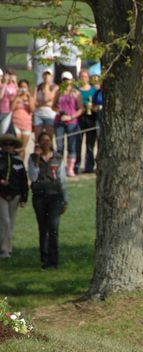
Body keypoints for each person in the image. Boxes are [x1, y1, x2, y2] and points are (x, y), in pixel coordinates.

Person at [28, 131, 68, 269]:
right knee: (43, 228)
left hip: (55, 196)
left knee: (53, 228)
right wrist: (38, 160)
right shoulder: (32, 158)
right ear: (38, 142)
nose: (45, 142)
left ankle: (53, 261)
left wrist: (65, 198)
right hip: (39, 197)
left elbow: (62, 179)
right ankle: (44, 257)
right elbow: (33, 177)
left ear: (51, 141)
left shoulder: (58, 157)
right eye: (42, 140)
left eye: (47, 140)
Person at [0, 135, 28, 259]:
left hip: (15, 194)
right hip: (1, 194)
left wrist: (24, 198)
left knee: (11, 222)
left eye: (10, 144)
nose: (7, 147)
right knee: (4, 220)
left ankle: (8, 248)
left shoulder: (18, 161)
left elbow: (23, 181)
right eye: (5, 144)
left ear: (14, 147)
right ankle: (3, 249)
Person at [53, 71, 84, 176]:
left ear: (71, 81)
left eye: (68, 80)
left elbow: (81, 109)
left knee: (71, 145)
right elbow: (53, 105)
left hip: (72, 121)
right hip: (59, 121)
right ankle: (60, 168)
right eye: (64, 80)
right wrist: (59, 111)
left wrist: (71, 116)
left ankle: (70, 168)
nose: (66, 82)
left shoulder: (76, 93)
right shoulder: (58, 92)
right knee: (60, 146)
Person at [76, 69, 97, 174]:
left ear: (88, 78)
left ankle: (89, 166)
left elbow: (97, 103)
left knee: (90, 144)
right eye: (81, 76)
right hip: (79, 119)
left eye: (85, 76)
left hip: (91, 118)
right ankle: (77, 165)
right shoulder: (76, 90)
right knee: (78, 142)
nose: (83, 78)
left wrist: (93, 107)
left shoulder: (93, 90)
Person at [10, 80, 34, 159]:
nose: (23, 88)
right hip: (16, 123)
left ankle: (21, 165)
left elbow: (32, 110)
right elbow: (11, 108)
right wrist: (17, 97)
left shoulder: (30, 97)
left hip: (26, 124)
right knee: (16, 146)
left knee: (23, 148)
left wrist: (29, 97)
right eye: (21, 87)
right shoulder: (16, 97)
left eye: (25, 87)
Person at [33, 70, 58, 139]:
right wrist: (47, 104)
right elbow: (34, 101)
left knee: (49, 136)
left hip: (50, 115)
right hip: (39, 114)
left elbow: (47, 98)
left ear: (52, 76)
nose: (46, 77)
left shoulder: (55, 87)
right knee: (37, 136)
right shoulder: (38, 87)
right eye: (45, 75)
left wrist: (46, 87)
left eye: (48, 75)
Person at [0, 69, 18, 133]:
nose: (10, 77)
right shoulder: (2, 85)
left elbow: (18, 94)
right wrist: (5, 82)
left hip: (11, 111)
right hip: (2, 111)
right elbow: (1, 96)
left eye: (11, 75)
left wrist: (15, 81)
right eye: (8, 75)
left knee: (8, 131)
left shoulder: (13, 86)